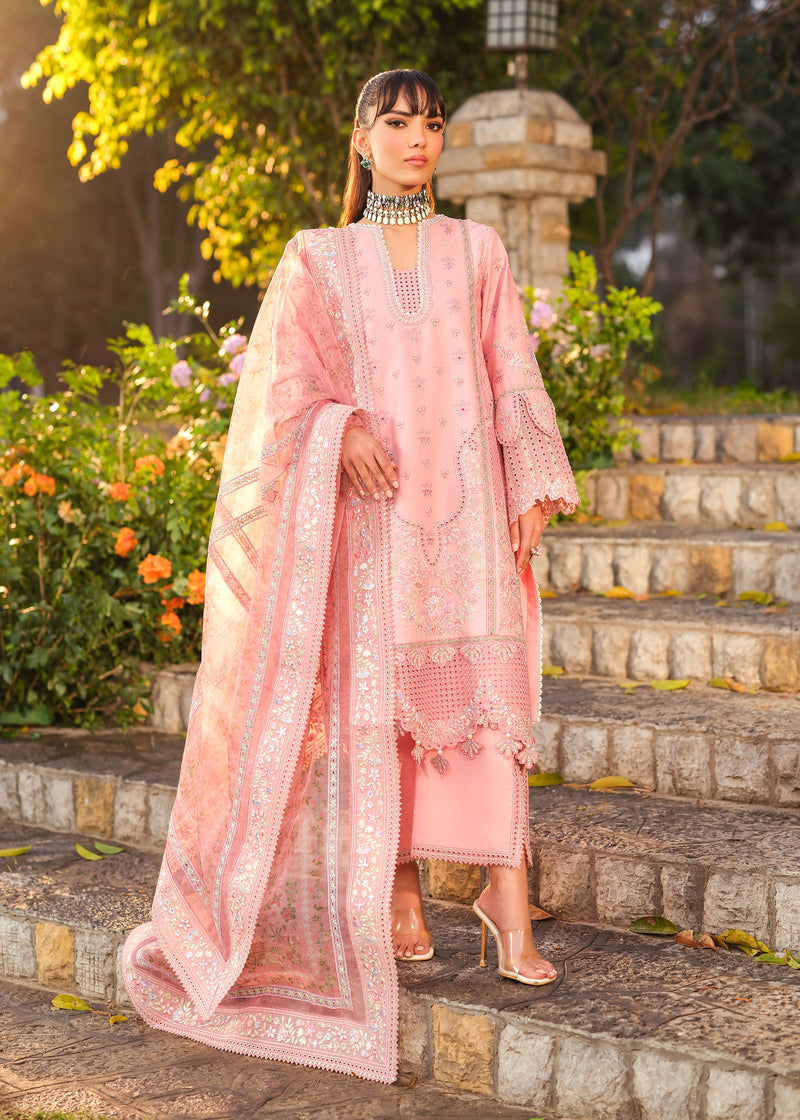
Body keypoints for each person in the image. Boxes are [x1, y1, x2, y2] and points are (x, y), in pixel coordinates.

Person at [123, 69, 578, 1085]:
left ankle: (504, 894)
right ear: (361, 141)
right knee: (383, 706)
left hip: (467, 517)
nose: (418, 138)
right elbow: (280, 395)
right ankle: (398, 885)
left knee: (488, 698)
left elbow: (511, 369)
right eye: (397, 121)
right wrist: (340, 429)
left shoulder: (478, 250)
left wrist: (532, 482)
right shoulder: (317, 258)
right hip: (372, 526)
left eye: (431, 123)